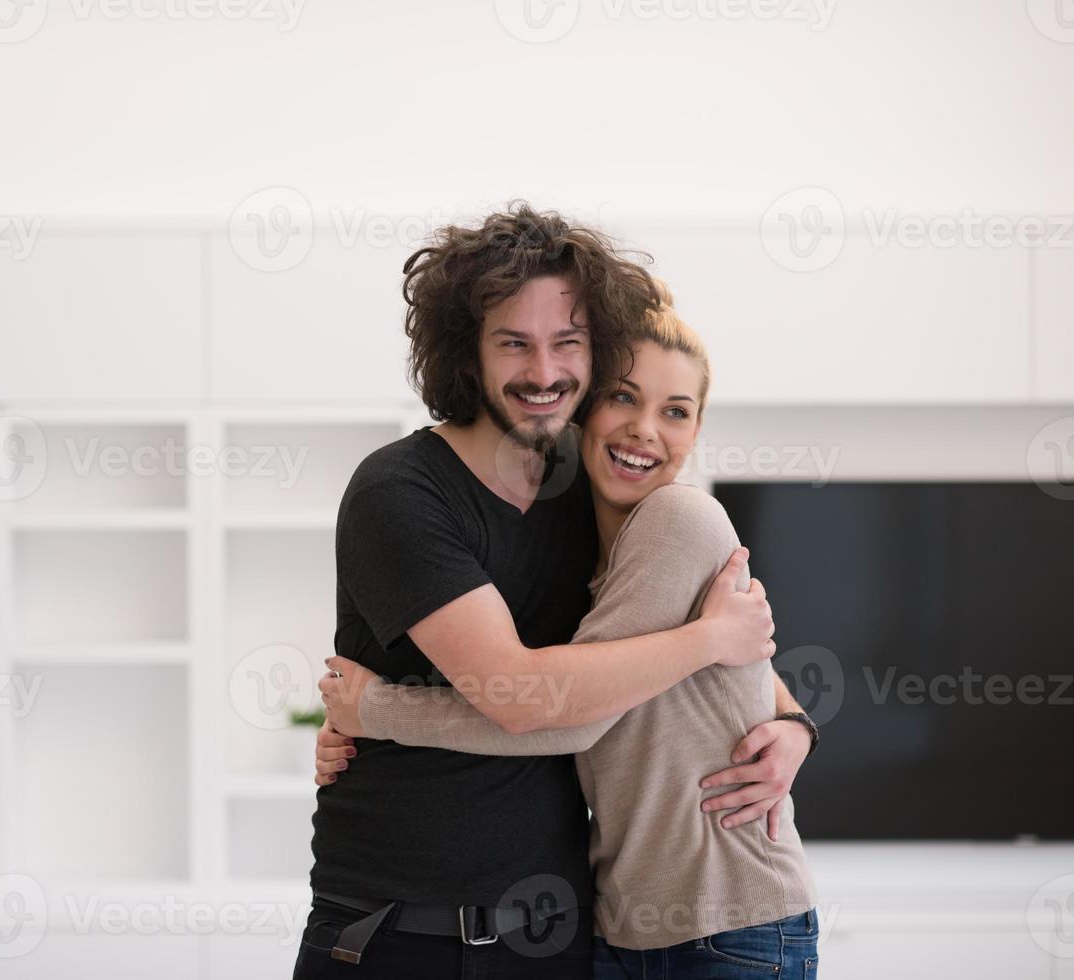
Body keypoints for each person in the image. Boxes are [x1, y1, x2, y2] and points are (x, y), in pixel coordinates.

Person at [293, 203, 811, 980]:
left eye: (567, 343)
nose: (542, 373)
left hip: (557, 932)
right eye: (513, 343)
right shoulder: (401, 492)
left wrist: (794, 722)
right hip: (400, 929)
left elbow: (715, 647)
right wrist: (710, 643)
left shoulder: (602, 489)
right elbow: (529, 694)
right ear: (466, 353)